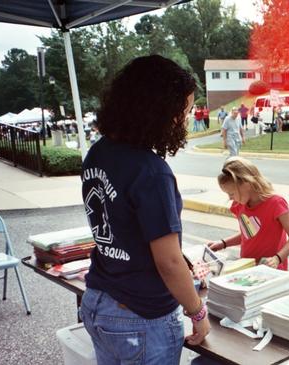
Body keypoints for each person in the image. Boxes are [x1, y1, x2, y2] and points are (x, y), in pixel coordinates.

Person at [79, 55, 210, 365]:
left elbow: (126, 228)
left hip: (100, 299)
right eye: (185, 111)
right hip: (139, 316)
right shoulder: (151, 172)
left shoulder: (99, 152)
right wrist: (198, 312)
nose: (186, 120)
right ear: (159, 111)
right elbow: (168, 262)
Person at [208, 157, 289, 270]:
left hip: (272, 270)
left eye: (231, 193)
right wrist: (223, 243)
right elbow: (248, 233)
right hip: (247, 267)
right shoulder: (239, 205)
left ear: (246, 184)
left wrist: (277, 259)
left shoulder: (276, 203)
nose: (230, 198)